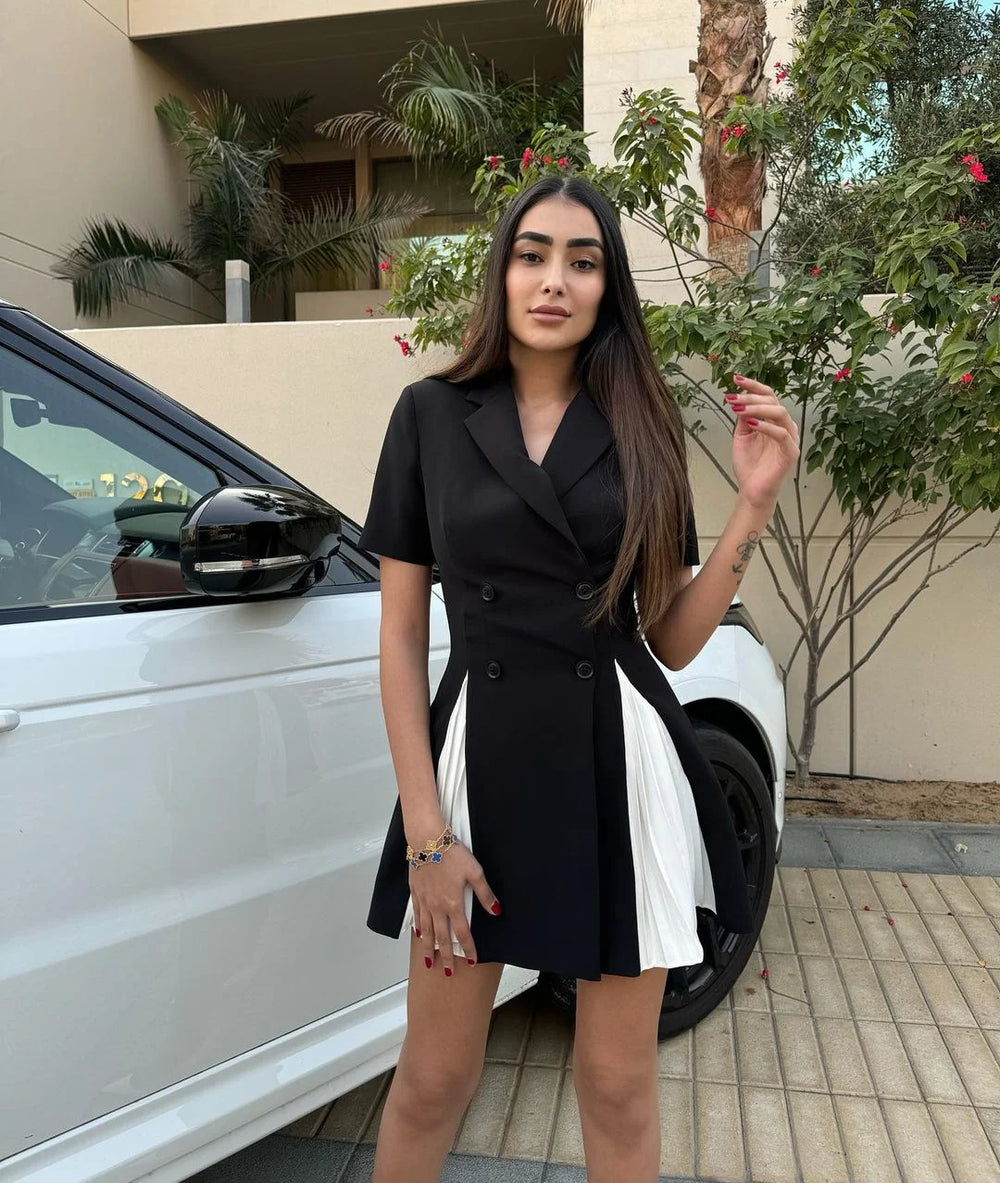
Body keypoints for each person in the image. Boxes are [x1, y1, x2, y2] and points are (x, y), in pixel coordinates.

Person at [358, 174, 799, 1182]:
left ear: (608, 288)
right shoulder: (430, 415)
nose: (554, 279)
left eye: (583, 260)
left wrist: (753, 505)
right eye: (533, 254)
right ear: (503, 272)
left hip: (620, 762)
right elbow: (399, 634)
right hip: (475, 761)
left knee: (616, 1082)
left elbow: (671, 641)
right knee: (432, 1076)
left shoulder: (642, 422)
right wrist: (427, 834)